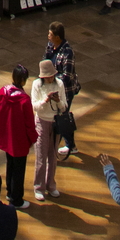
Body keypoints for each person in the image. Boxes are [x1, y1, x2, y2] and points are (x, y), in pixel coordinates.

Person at [0, 64, 38, 210]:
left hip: (7, 135)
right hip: (19, 140)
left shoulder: (3, 92)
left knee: (10, 165)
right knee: (19, 170)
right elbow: (29, 122)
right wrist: (33, 137)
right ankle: (16, 199)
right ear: (23, 80)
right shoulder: (24, 100)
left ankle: (10, 192)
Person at [30, 59, 67, 201]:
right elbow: (34, 106)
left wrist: (58, 101)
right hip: (41, 122)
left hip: (55, 122)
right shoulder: (36, 85)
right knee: (41, 156)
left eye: (52, 76)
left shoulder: (60, 84)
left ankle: (51, 185)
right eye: (48, 77)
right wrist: (45, 100)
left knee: (52, 156)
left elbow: (64, 107)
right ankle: (38, 187)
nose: (50, 78)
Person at [44, 22, 79, 157]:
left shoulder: (68, 52)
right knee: (61, 116)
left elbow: (67, 76)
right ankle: (71, 144)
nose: (48, 36)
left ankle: (55, 148)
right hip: (52, 88)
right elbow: (45, 62)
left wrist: (52, 80)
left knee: (60, 117)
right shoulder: (50, 46)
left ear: (57, 37)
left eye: (50, 34)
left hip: (65, 91)